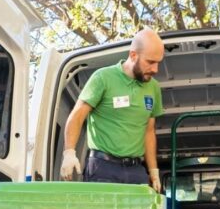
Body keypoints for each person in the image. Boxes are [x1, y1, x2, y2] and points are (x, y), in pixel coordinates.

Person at [60, 28, 165, 192]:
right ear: (133, 55)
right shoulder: (102, 78)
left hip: (136, 171)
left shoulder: (154, 88)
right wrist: (69, 153)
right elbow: (77, 116)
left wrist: (153, 171)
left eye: (158, 62)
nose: (155, 69)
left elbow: (149, 131)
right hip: (103, 168)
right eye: (150, 62)